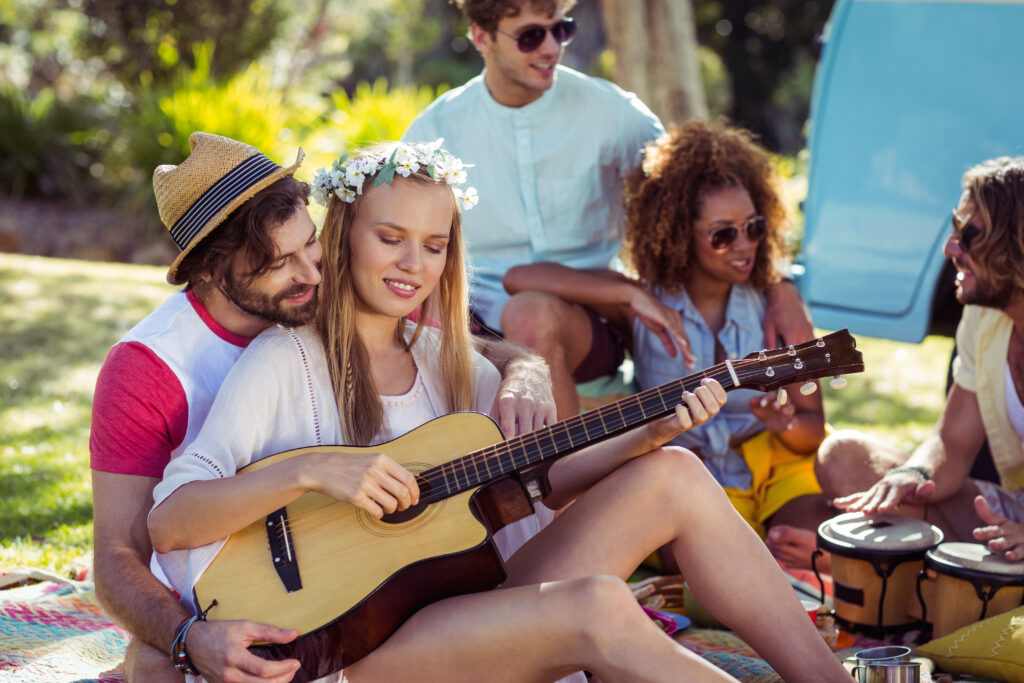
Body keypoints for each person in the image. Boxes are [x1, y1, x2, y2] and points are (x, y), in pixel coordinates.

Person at [147, 141, 851, 683]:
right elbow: (170, 520)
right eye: (390, 238)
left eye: (433, 246)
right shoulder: (286, 359)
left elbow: (543, 483)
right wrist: (310, 470)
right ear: (343, 236)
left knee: (673, 472)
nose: (412, 264)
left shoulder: (451, 361)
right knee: (598, 604)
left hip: (460, 608)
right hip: (356, 650)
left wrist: (655, 430)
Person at [89, 132, 555, 683]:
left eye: (309, 243)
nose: (312, 274)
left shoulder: (334, 290)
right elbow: (120, 554)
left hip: (351, 574)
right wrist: (186, 636)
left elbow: (460, 345)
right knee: (156, 661)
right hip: (222, 589)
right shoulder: (150, 368)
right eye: (278, 262)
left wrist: (528, 369)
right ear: (210, 270)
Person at [403, 0, 813, 419]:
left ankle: (561, 463)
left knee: (531, 314)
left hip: (592, 319)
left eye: (560, 30)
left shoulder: (613, 114)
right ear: (481, 37)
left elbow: (702, 198)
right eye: (531, 36)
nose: (551, 48)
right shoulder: (435, 131)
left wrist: (779, 283)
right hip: (470, 320)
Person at [502, 120, 834, 568]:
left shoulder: (775, 307)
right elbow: (520, 279)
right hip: (681, 468)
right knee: (697, 554)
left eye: (754, 228)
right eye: (723, 234)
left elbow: (812, 428)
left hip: (770, 463)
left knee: (816, 538)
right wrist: (629, 295)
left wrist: (783, 423)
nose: (744, 246)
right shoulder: (646, 304)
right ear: (679, 232)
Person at [815, 156, 1024, 564]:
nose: (950, 249)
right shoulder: (983, 317)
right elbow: (953, 444)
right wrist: (914, 474)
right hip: (1012, 513)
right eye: (954, 230)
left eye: (970, 234)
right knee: (844, 457)